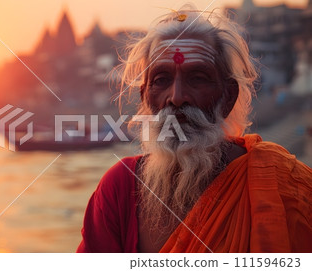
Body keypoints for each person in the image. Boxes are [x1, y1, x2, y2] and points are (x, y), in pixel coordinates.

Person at [77, 5, 312, 253]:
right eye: (161, 80)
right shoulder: (121, 187)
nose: (176, 97)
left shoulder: (285, 187)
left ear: (228, 96)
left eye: (198, 78)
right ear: (145, 96)